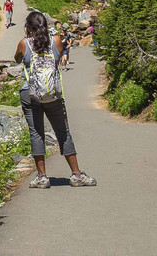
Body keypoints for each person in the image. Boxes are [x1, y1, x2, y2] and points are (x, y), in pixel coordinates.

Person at [15, 11, 96, 188]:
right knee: (63, 131)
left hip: (30, 93)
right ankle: (76, 174)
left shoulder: (24, 43)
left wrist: (26, 38)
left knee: (36, 132)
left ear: (28, 27)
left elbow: (17, 58)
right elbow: (58, 57)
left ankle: (42, 177)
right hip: (53, 93)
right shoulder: (56, 42)